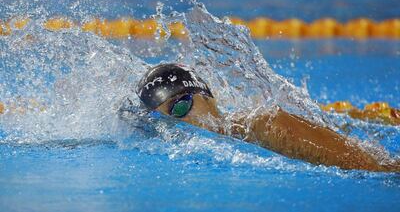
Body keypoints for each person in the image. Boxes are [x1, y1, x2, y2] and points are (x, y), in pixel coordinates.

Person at [135, 63, 400, 172]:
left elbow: (375, 167)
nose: (179, 125)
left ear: (207, 97)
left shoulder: (266, 125)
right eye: (164, 122)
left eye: (180, 108)